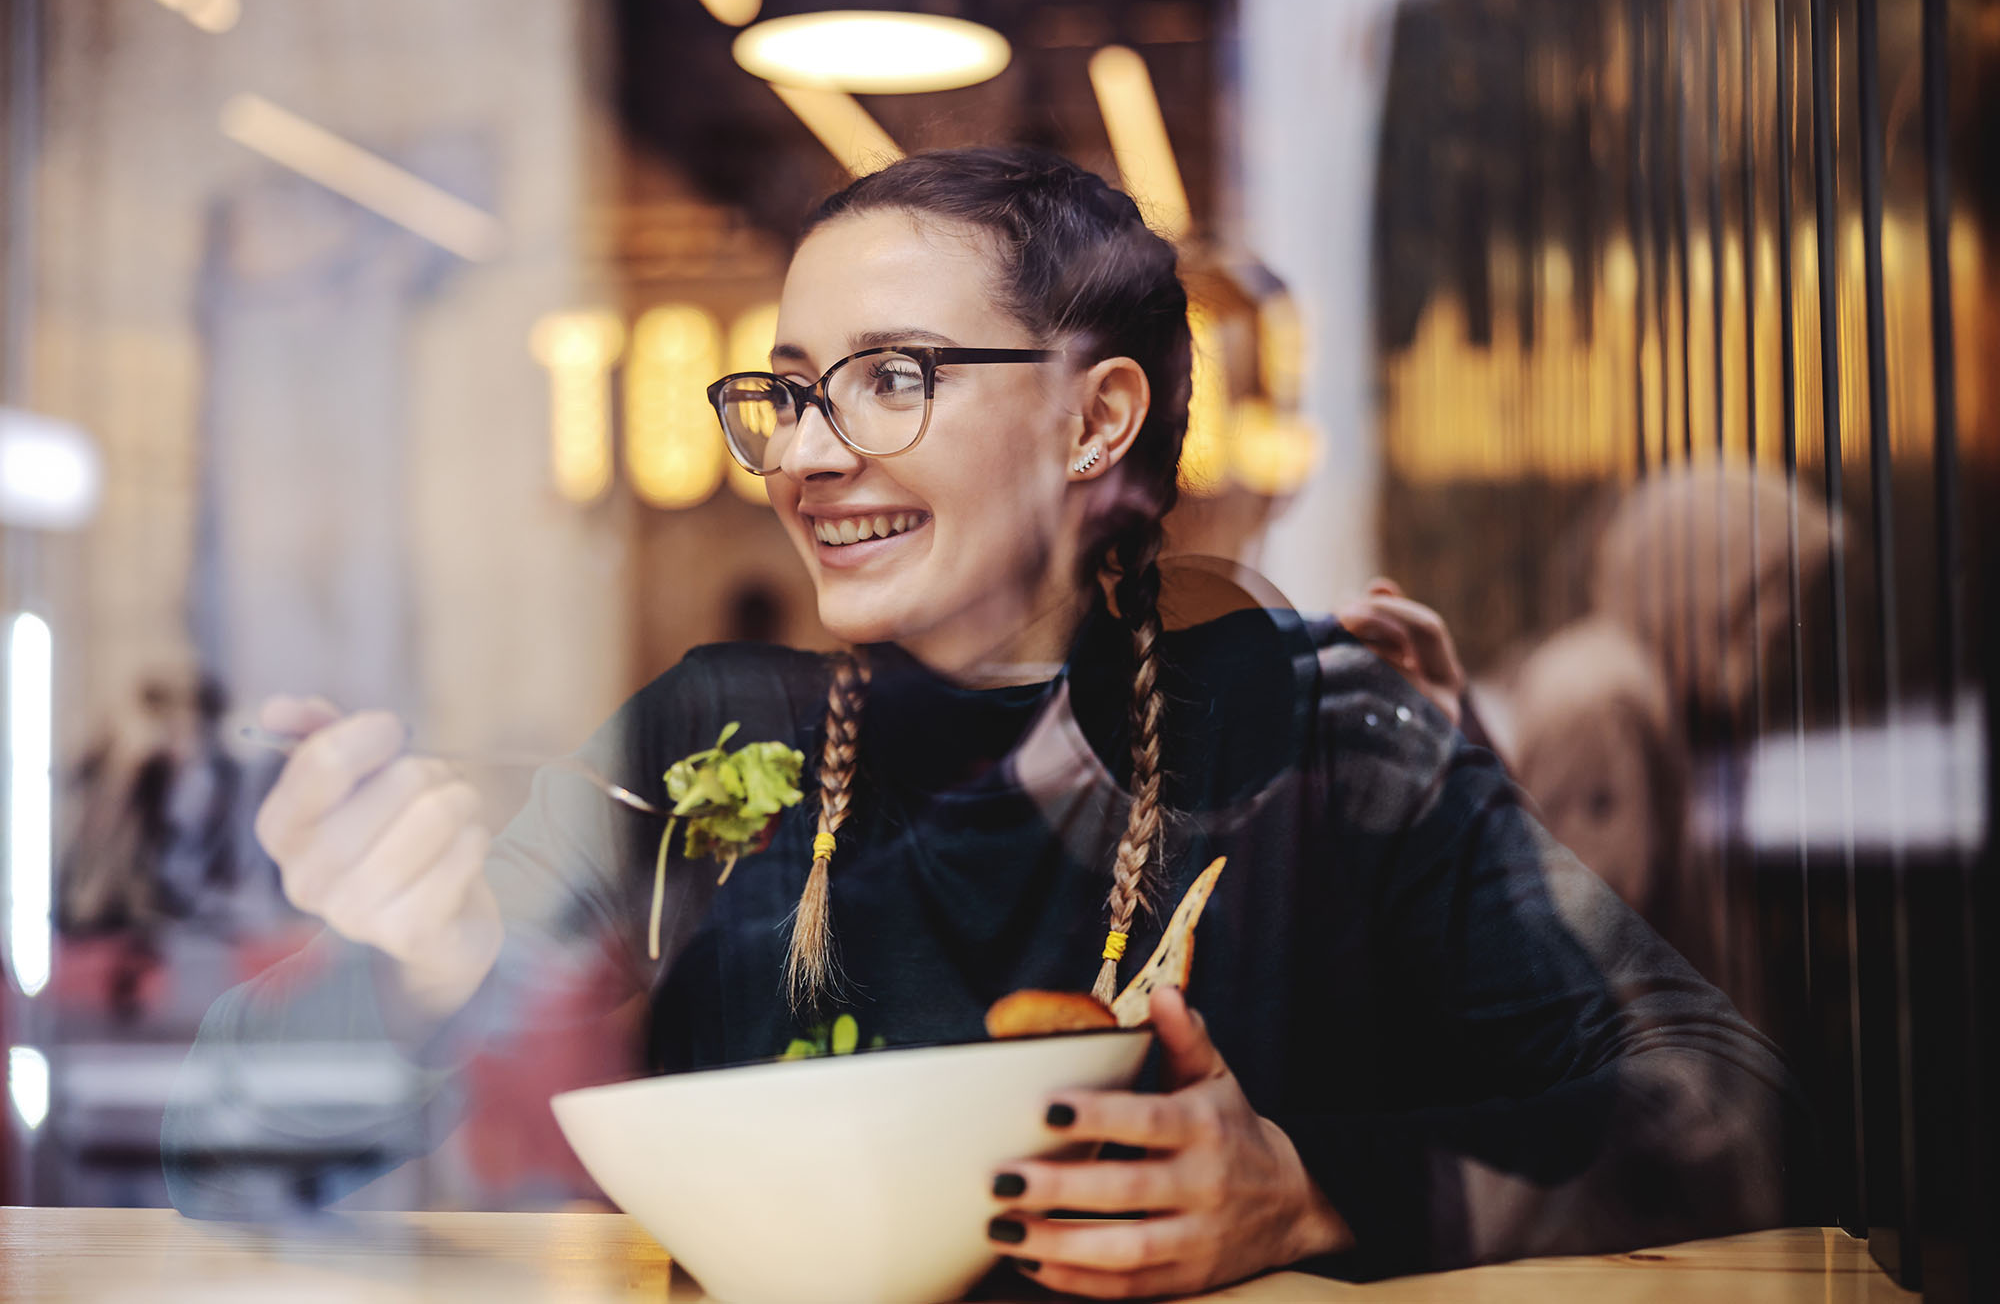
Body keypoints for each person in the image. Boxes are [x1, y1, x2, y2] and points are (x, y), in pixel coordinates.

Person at [165, 148, 1812, 1293]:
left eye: (892, 378)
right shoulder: (705, 745)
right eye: (791, 388)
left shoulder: (1333, 743)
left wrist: (1311, 1190)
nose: (806, 452)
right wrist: (419, 960)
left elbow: (1724, 1122)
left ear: (1097, 417)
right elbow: (228, 1151)